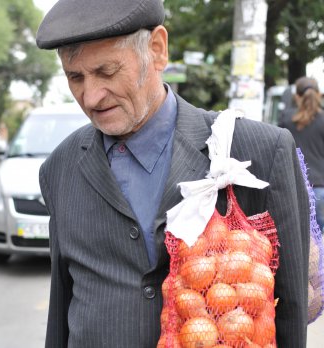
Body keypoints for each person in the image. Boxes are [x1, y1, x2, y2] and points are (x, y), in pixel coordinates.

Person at [36, 1, 310, 346]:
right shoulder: (60, 168)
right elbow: (60, 313)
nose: (90, 97)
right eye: (75, 77)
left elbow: (290, 312)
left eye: (107, 72)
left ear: (157, 50)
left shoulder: (257, 151)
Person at [279, 76, 324, 233]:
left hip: (293, 184)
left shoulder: (286, 118)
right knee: (318, 236)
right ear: (319, 95)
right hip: (319, 186)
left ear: (296, 96)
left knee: (295, 234)